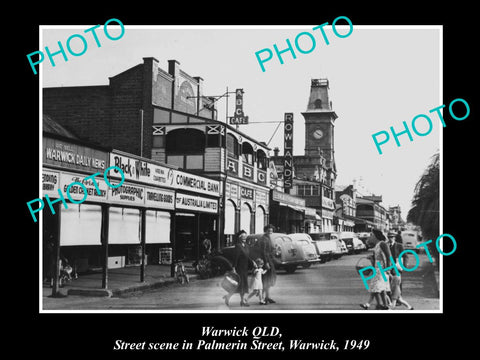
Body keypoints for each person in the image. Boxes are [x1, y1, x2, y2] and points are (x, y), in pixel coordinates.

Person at [360, 229, 392, 310]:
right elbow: (376, 259)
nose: (371, 237)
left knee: (376, 288)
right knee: (380, 288)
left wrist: (388, 269)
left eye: (372, 235)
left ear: (376, 236)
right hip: (377, 269)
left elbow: (389, 257)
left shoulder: (383, 244)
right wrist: (371, 258)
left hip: (382, 269)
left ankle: (379, 305)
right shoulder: (377, 245)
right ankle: (384, 305)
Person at [223, 230, 251, 307]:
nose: (244, 237)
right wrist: (234, 268)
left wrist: (253, 263)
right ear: (239, 237)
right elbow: (236, 258)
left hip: (245, 268)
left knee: (244, 286)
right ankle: (228, 297)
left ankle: (242, 301)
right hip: (239, 269)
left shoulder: (246, 246)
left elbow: (247, 257)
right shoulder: (238, 246)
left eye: (245, 236)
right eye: (243, 236)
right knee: (237, 286)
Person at [255, 224, 277, 304]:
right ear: (265, 230)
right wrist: (266, 262)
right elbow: (263, 252)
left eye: (271, 230)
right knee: (265, 280)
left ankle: (267, 297)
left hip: (269, 260)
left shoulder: (268, 238)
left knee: (268, 280)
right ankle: (263, 298)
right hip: (265, 261)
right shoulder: (263, 239)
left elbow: (270, 249)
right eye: (269, 230)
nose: (270, 232)